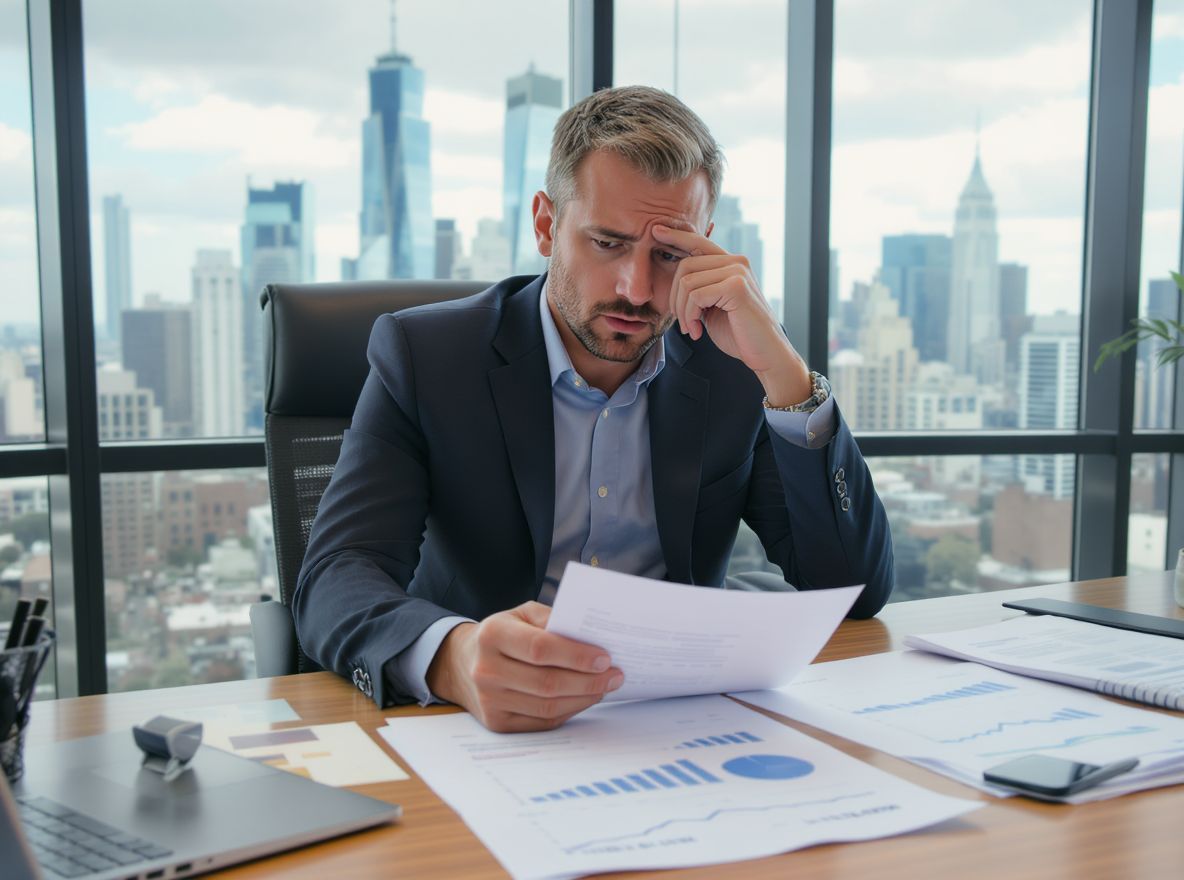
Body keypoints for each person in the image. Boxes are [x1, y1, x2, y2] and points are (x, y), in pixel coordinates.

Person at [295, 85, 893, 733]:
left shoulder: (734, 363)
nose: (636, 289)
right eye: (606, 243)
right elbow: (336, 577)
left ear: (707, 245)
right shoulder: (427, 356)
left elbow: (853, 588)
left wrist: (783, 373)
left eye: (668, 254)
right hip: (490, 726)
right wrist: (454, 656)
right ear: (547, 225)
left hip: (682, 722)